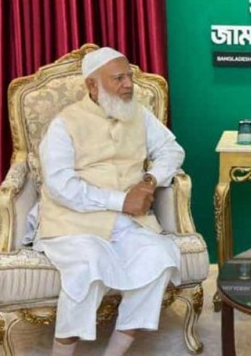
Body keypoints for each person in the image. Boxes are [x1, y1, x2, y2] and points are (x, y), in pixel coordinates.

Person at [33, 47, 184, 356]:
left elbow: (172, 151)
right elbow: (61, 186)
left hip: (129, 222)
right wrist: (121, 201)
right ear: (92, 85)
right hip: (73, 221)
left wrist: (149, 180)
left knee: (159, 258)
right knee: (88, 267)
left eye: (129, 77)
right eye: (118, 79)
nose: (129, 84)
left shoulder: (138, 113)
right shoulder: (64, 123)